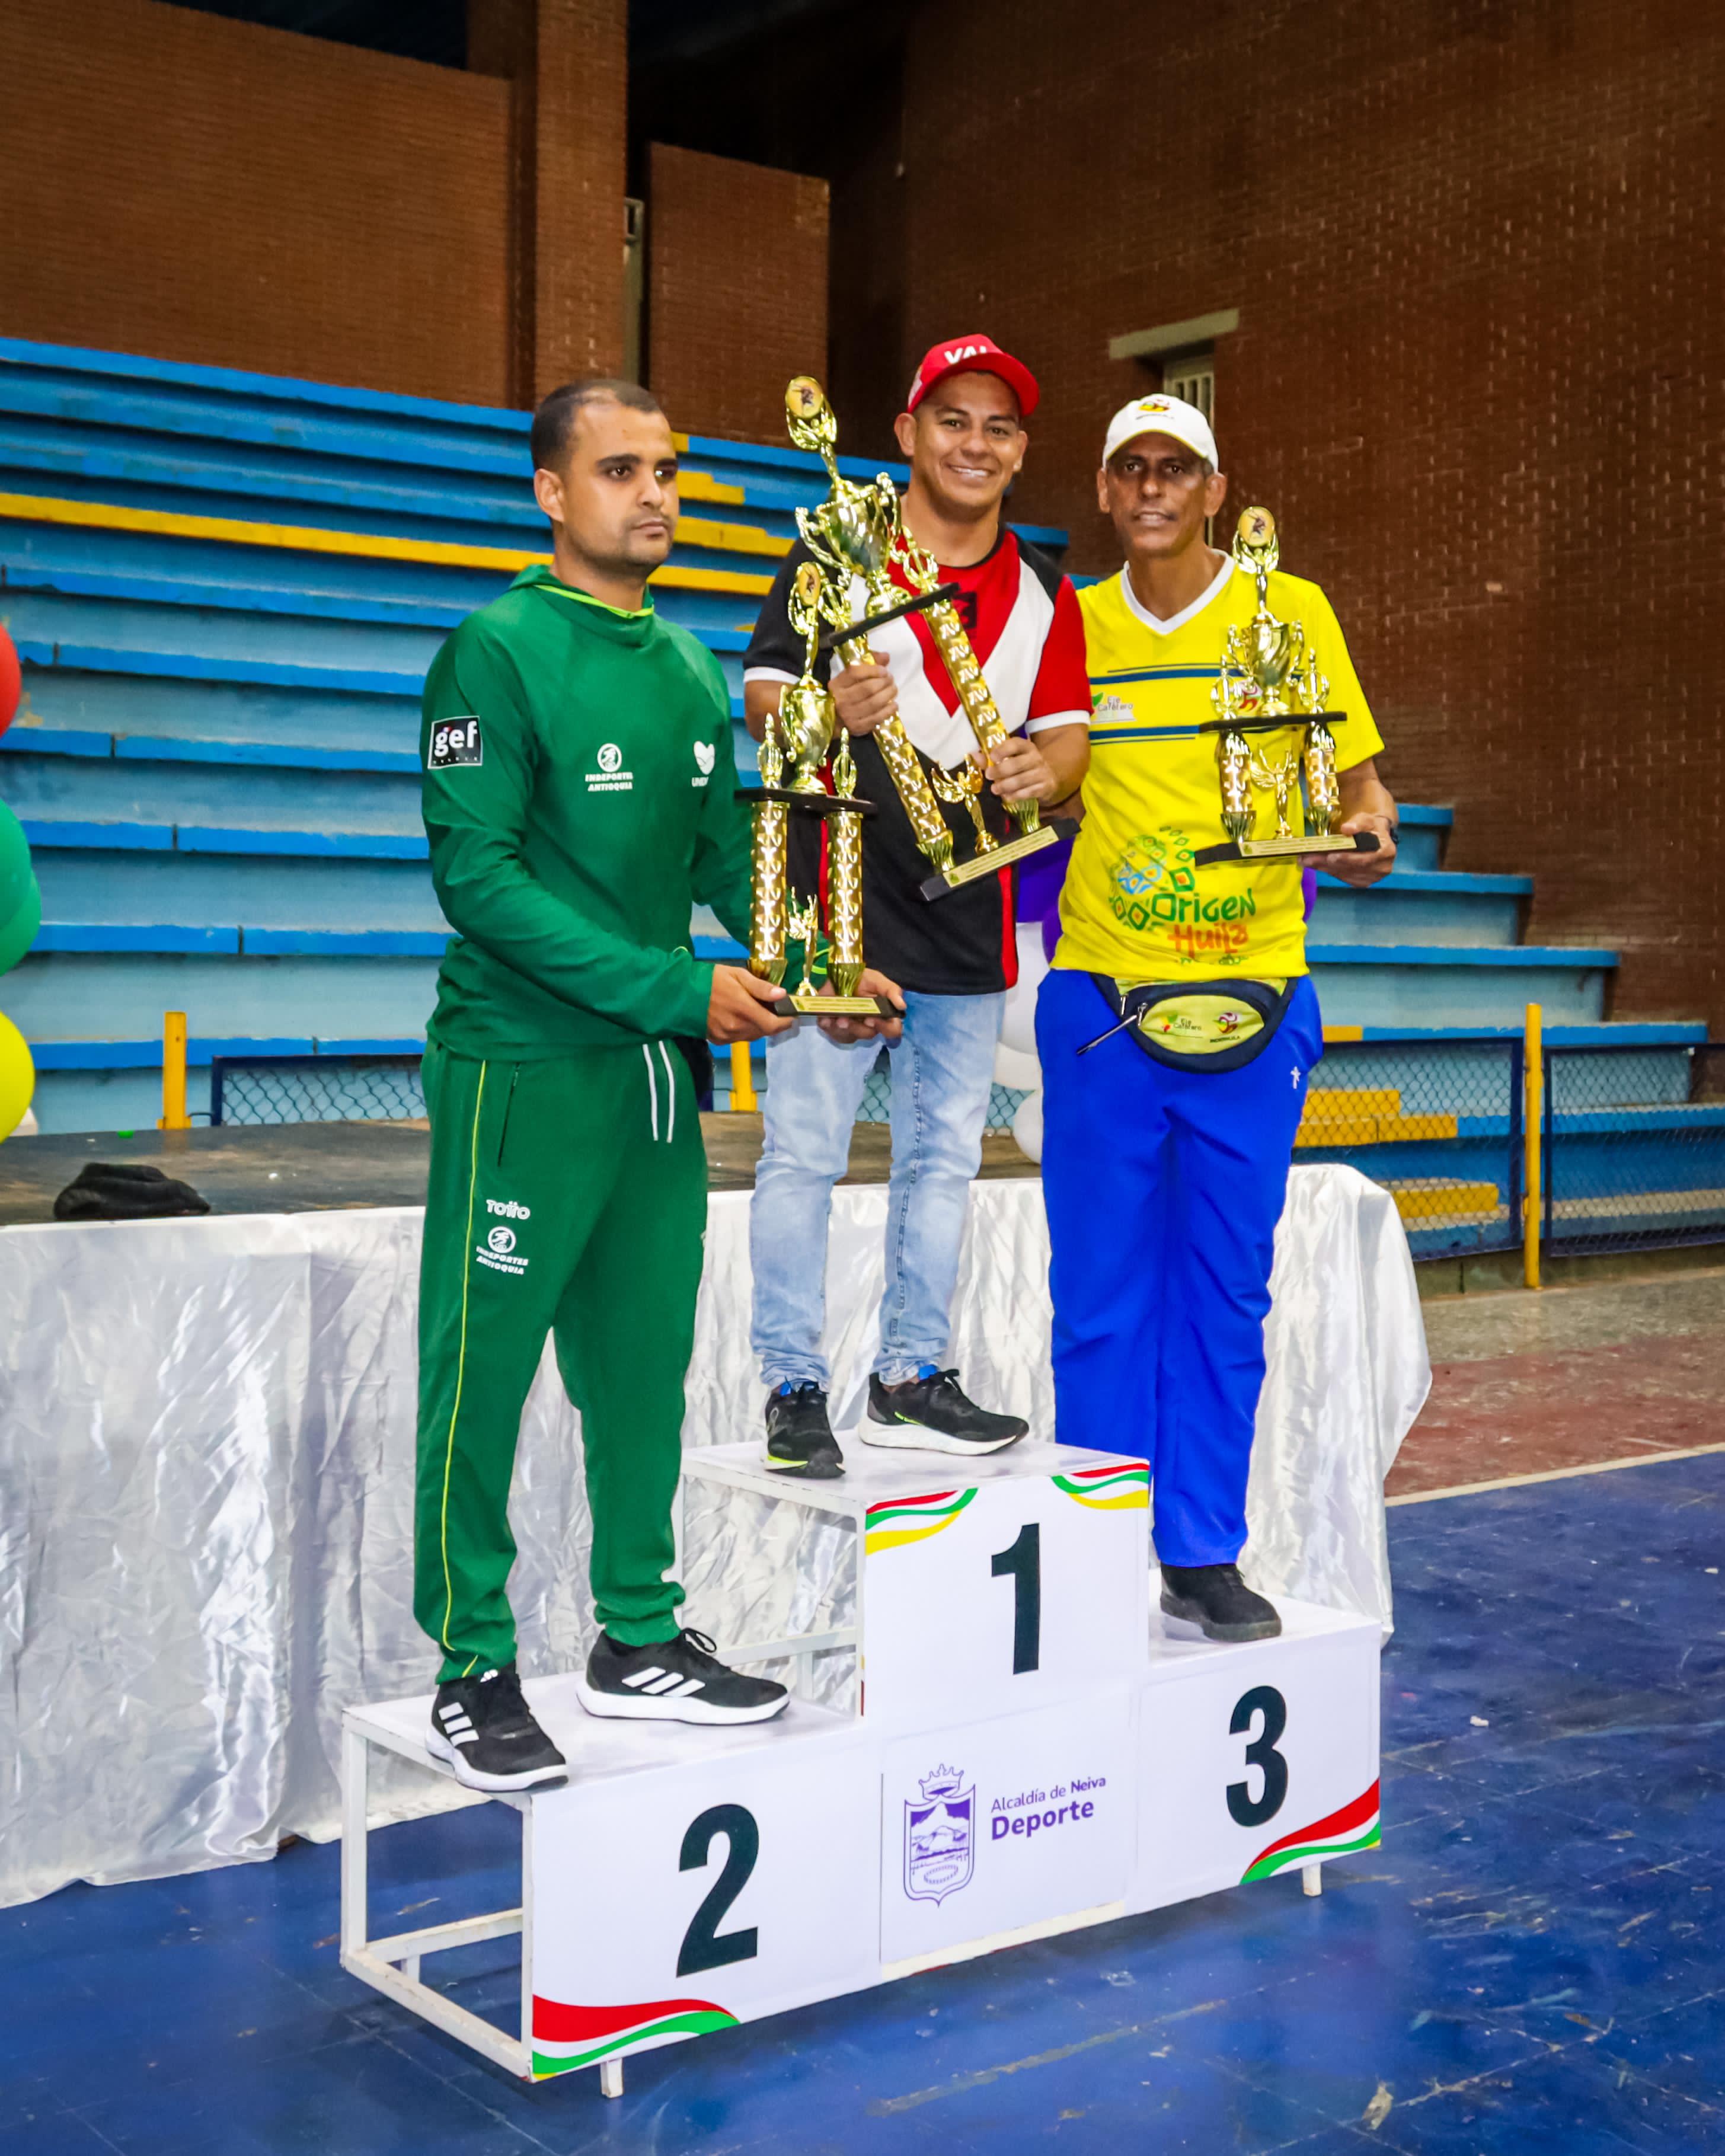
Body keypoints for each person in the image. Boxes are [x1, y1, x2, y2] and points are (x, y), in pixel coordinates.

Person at [413, 377, 899, 1790]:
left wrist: (813, 961)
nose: (657, 493)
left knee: (642, 1372)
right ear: (553, 494)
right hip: (523, 1069)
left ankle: (637, 1637)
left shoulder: (692, 673)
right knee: (480, 1371)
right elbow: (478, 881)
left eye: (670, 470)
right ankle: (471, 1661)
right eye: (620, 470)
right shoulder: (494, 654)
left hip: (651, 1086)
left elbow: (711, 867)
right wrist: (676, 989)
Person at [1037, 392, 1398, 1642]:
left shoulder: (1287, 611)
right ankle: (1089, 1555)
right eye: (1130, 468)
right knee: (1097, 1296)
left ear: (1214, 487)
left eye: (1174, 470)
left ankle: (1200, 1546)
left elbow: (1360, 786)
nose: (1151, 488)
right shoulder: (1069, 627)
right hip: (1103, 1003)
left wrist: (1366, 833)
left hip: (1255, 1002)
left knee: (1224, 1291)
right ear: (1101, 488)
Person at [743, 336, 1091, 1478]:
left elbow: (1066, 736)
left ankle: (910, 1372)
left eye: (997, 425)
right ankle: (792, 1385)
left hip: (967, 905)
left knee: (941, 1153)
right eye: (952, 419)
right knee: (803, 1152)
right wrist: (824, 707)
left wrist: (1051, 774)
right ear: (905, 434)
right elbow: (759, 701)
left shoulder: (1045, 590)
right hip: (832, 895)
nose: (974, 443)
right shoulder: (836, 549)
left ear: (1022, 450)